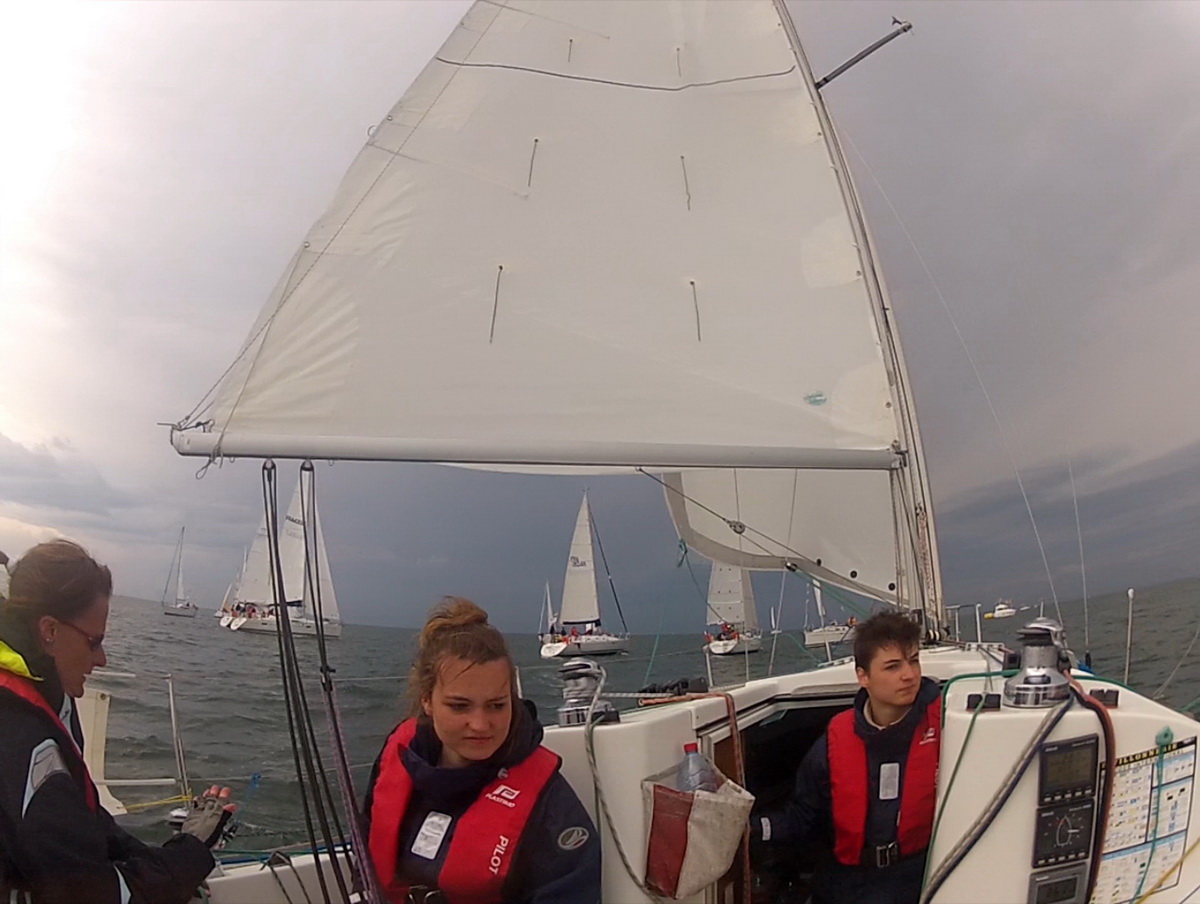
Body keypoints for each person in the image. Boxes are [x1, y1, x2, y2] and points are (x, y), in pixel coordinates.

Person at [0, 539, 236, 904]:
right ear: (50, 630)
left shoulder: (46, 696)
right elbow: (96, 894)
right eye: (94, 641)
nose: (103, 659)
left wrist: (184, 848)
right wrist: (193, 850)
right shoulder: (20, 734)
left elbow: (86, 828)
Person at [364, 597, 601, 904]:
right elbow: (364, 858)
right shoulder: (399, 758)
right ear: (427, 700)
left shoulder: (550, 806)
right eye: (459, 706)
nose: (480, 724)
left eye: (496, 705)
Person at [752, 610, 940, 904]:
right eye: (893, 666)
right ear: (863, 676)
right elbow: (803, 817)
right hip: (846, 887)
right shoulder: (833, 743)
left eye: (913, 661)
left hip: (920, 882)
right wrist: (752, 829)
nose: (910, 675)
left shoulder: (947, 728)